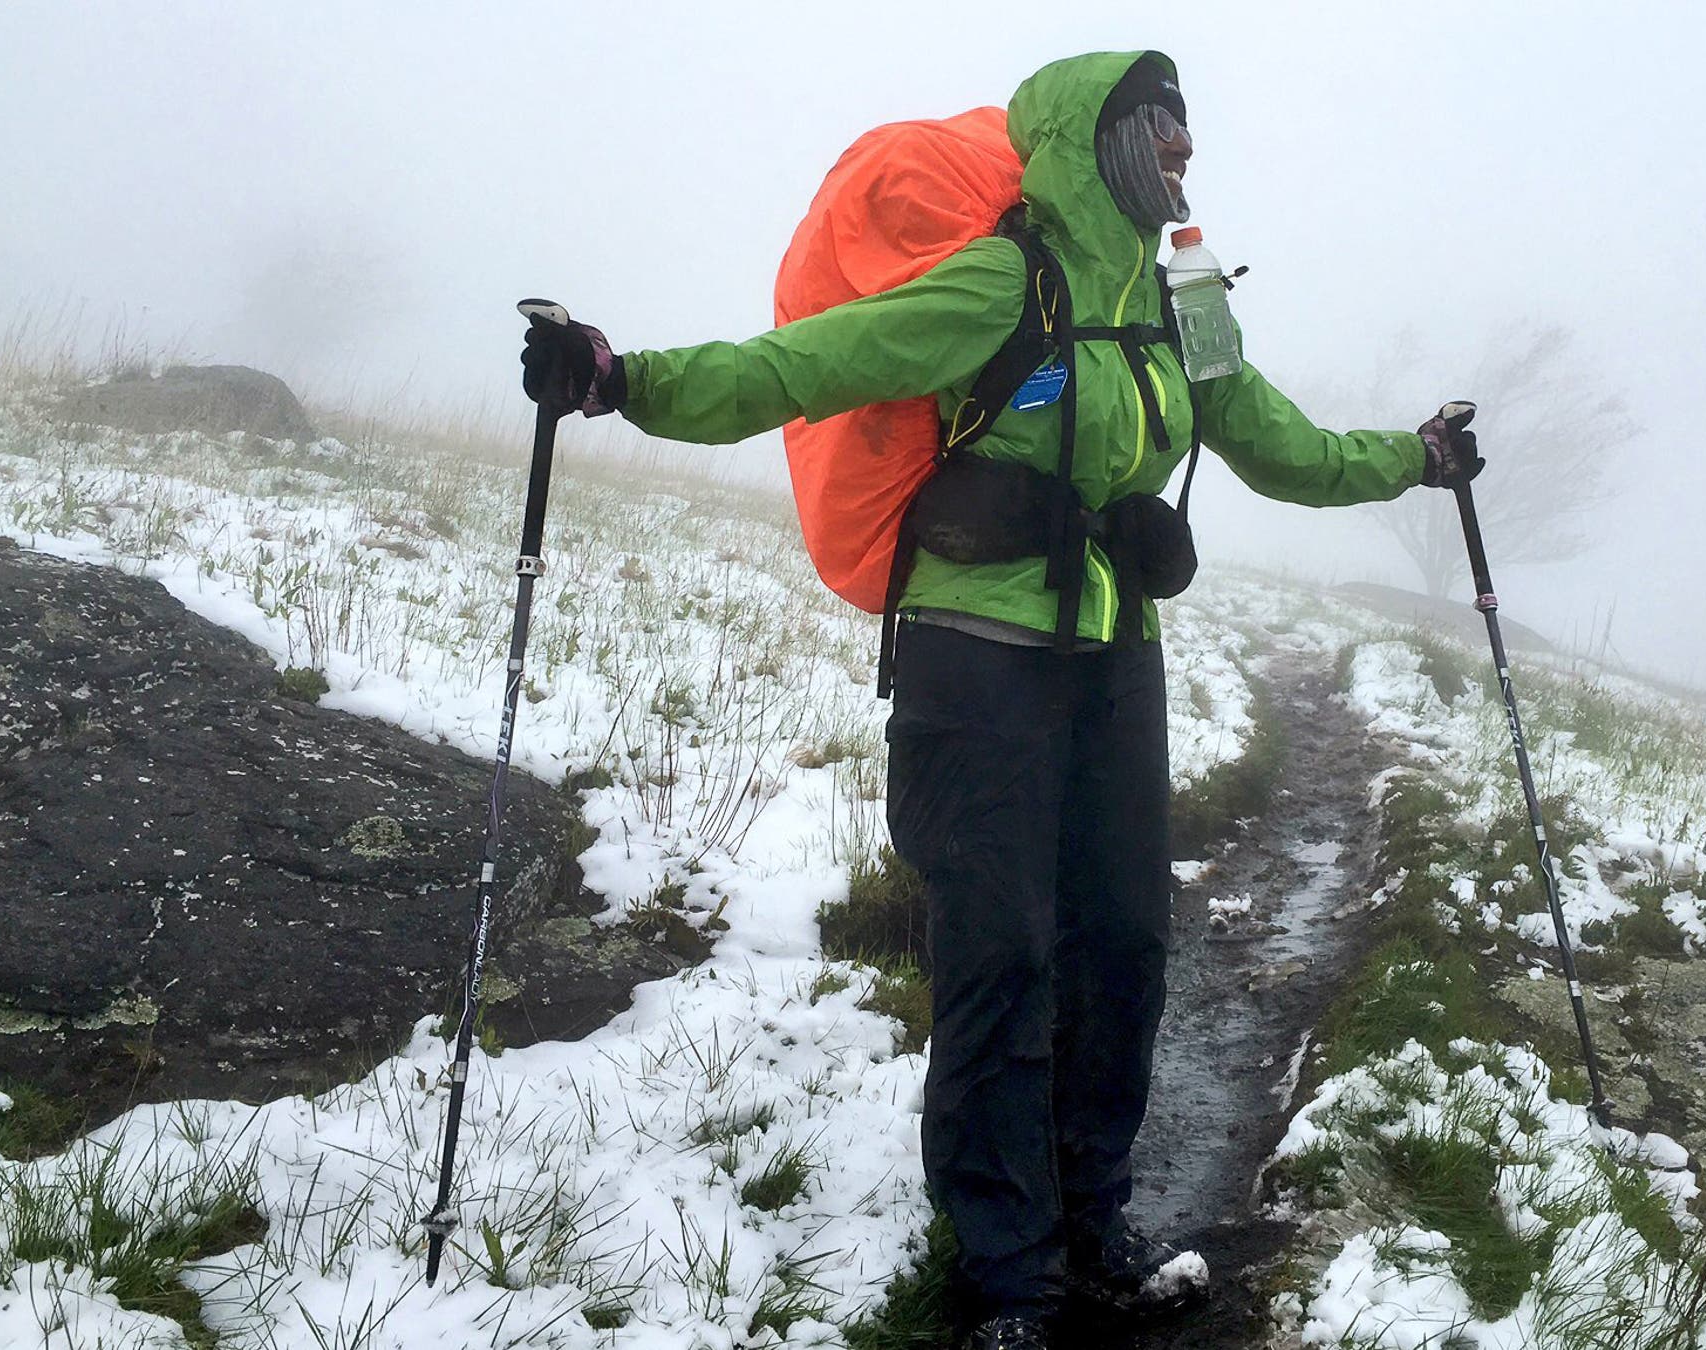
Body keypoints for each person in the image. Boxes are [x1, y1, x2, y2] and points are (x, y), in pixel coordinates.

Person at [519, 48, 1482, 1350]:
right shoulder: (1001, 279)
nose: (1185, 153)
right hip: (975, 660)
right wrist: (620, 378)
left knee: (1124, 944)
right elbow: (803, 366)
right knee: (1001, 955)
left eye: (1189, 132)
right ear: (1100, 143)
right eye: (1160, 130)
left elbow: (1279, 444)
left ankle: (1093, 1220)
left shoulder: (1183, 304)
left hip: (1115, 659)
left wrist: (1414, 459)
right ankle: (1009, 1272)